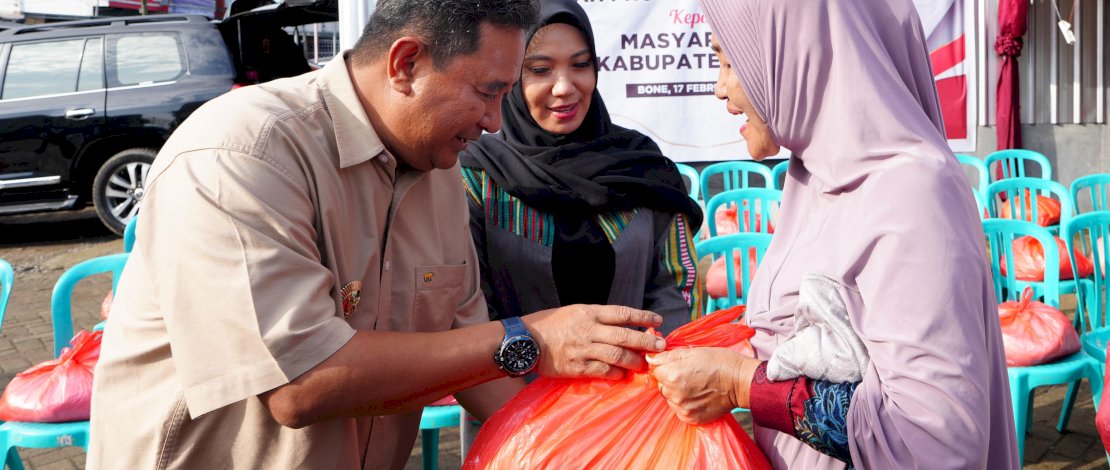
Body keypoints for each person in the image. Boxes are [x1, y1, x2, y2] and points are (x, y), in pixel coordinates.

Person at [86, 1, 671, 468]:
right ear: (406, 64)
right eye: (488, 92)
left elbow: (471, 357)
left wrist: (588, 447)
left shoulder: (441, 175)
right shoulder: (243, 153)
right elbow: (301, 384)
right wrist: (531, 337)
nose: (496, 121)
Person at [648, 0, 1019, 468]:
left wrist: (739, 383)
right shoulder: (814, 174)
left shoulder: (912, 193)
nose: (720, 88)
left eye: (730, 61)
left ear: (801, 51)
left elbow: (932, 441)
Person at [459, 0, 704, 335]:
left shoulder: (641, 166)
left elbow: (676, 288)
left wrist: (650, 359)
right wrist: (532, 357)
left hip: (641, 366)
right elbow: (469, 304)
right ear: (512, 76)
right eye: (540, 69)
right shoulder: (479, 175)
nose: (564, 87)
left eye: (580, 64)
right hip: (513, 368)